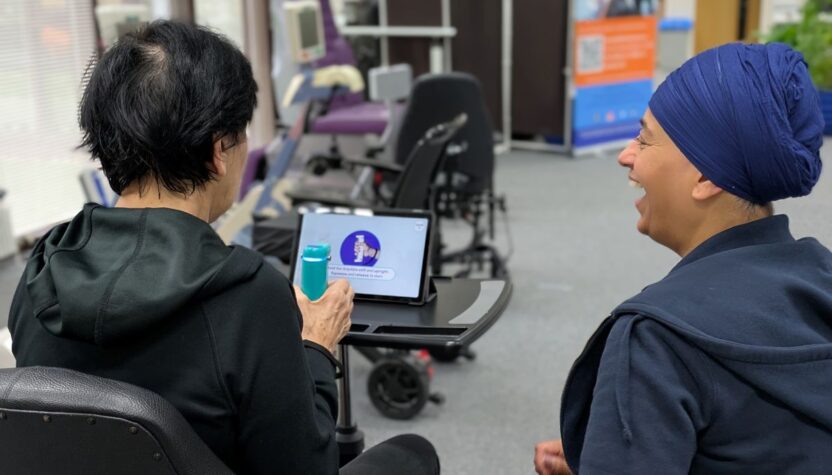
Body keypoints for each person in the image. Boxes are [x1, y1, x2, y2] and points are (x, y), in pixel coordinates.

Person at [8, 20, 438, 475]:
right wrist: (315, 346)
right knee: (414, 452)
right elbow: (307, 466)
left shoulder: (40, 273)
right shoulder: (251, 297)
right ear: (219, 151)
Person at [535, 42, 831, 474]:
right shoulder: (821, 279)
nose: (626, 155)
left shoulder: (657, 339)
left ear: (706, 176)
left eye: (645, 138)